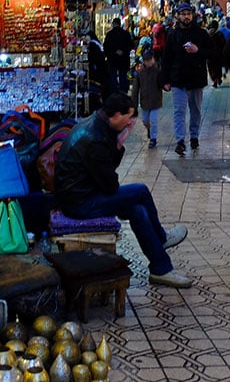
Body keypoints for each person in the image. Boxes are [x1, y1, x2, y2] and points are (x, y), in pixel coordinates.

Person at [54, 92, 192, 288]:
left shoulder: (96, 124)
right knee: (141, 191)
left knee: (138, 210)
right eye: (129, 118)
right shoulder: (95, 139)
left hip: (82, 194)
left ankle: (161, 269)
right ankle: (161, 239)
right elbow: (111, 186)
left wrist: (117, 143)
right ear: (117, 115)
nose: (130, 124)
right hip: (80, 203)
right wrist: (118, 144)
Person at [161, 2, 212, 155]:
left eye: (188, 14)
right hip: (178, 79)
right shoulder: (172, 34)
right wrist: (165, 80)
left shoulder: (201, 33)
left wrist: (198, 50)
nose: (186, 17)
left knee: (195, 110)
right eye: (183, 14)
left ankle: (194, 137)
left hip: (196, 79)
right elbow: (166, 59)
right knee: (179, 111)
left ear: (192, 15)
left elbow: (212, 52)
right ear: (178, 16)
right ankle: (180, 141)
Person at [130, 49, 163, 148]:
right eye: (146, 60)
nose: (149, 62)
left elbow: (162, 83)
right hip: (144, 102)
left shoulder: (158, 71)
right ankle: (150, 130)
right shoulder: (140, 73)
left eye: (150, 59)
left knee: (153, 120)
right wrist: (133, 105)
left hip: (155, 101)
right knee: (145, 120)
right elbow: (135, 90)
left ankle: (153, 138)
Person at [103, 18, 135, 94]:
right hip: (123, 59)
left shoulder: (109, 34)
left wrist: (113, 52)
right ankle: (123, 91)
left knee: (113, 75)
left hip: (113, 59)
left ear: (113, 24)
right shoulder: (125, 34)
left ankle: (114, 91)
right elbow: (131, 45)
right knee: (123, 75)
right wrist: (123, 51)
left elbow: (106, 47)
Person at [86, 30, 108, 111]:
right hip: (102, 67)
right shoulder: (97, 43)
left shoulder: (92, 44)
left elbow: (93, 57)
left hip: (98, 68)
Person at [206, 20, 227, 87]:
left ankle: (214, 80)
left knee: (211, 68)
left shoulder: (207, 34)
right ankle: (218, 78)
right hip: (218, 55)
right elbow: (224, 44)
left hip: (209, 55)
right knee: (218, 68)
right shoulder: (220, 34)